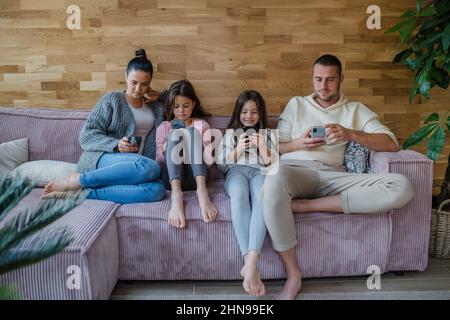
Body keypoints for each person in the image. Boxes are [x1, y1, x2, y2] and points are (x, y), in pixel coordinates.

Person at [262, 54, 414, 300]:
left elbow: (391, 143)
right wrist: (298, 143)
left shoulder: (355, 109)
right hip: (296, 171)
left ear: (341, 79)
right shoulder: (297, 104)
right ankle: (293, 275)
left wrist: (350, 134)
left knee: (402, 186)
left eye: (330, 80)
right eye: (318, 79)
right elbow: (274, 148)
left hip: (335, 177)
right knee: (272, 179)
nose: (323, 86)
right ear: (312, 78)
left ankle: (303, 206)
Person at [42, 49, 166, 204]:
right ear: (125, 76)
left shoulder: (156, 108)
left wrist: (160, 96)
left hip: (133, 170)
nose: (138, 89)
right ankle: (79, 179)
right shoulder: (112, 100)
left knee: (157, 190)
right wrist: (116, 145)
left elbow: (179, 103)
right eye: (134, 82)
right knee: (151, 167)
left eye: (144, 84)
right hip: (103, 160)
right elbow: (86, 136)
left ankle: (81, 195)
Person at [217, 90, 277, 296]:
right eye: (244, 112)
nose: (249, 117)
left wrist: (262, 146)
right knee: (240, 195)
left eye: (254, 112)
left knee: (263, 196)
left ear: (260, 114)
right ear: (238, 113)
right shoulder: (230, 134)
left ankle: (250, 264)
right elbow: (221, 165)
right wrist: (237, 150)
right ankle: (250, 264)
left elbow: (273, 165)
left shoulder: (267, 134)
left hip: (260, 172)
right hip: (236, 172)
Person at [156, 79, 218, 228]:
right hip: (171, 181)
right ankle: (177, 197)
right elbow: (158, 163)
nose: (181, 111)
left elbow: (209, 161)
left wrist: (193, 140)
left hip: (196, 178)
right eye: (176, 106)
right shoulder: (164, 127)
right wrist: (167, 147)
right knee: (175, 135)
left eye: (186, 106)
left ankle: (202, 193)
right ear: (171, 107)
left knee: (190, 133)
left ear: (193, 104)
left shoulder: (202, 125)